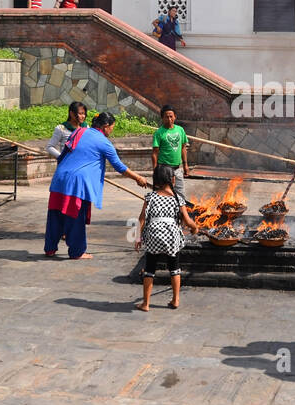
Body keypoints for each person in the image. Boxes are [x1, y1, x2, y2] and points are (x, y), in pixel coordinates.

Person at [45, 111, 149, 259]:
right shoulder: (104, 142)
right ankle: (77, 252)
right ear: (106, 126)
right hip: (77, 183)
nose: (112, 131)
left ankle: (50, 249)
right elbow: (119, 166)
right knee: (75, 217)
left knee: (55, 215)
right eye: (112, 127)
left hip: (60, 177)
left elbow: (65, 153)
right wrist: (138, 178)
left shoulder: (79, 131)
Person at [135, 164, 198, 311]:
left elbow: (141, 219)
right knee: (174, 268)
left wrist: (138, 238)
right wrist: (195, 228)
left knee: (149, 269)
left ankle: (146, 303)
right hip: (171, 237)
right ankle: (175, 300)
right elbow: (188, 221)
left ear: (156, 181)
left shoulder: (150, 197)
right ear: (173, 180)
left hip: (153, 236)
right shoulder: (178, 199)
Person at [151, 105, 190, 204]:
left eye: (171, 116)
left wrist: (185, 165)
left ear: (175, 117)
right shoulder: (159, 133)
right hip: (163, 170)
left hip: (177, 169)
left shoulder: (180, 130)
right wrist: (155, 171)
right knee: (162, 195)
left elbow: (183, 148)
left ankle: (180, 217)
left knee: (180, 195)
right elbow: (154, 154)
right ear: (162, 118)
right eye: (166, 117)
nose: (169, 119)